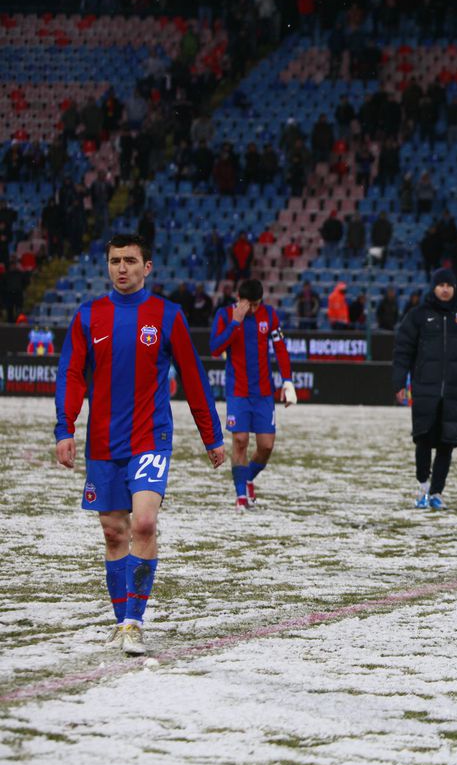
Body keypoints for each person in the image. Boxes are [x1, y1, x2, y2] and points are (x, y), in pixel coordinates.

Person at [54, 233, 225, 656]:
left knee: (144, 524)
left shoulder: (167, 315)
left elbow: (193, 376)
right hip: (101, 442)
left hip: (151, 438)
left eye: (130, 260)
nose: (122, 269)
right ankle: (121, 621)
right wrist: (65, 428)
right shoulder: (88, 316)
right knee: (114, 534)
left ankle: (135, 621)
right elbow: (71, 375)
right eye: (115, 261)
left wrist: (212, 435)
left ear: (148, 267)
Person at [392, 268, 457, 509]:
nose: (445, 289)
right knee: (423, 439)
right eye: (440, 285)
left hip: (455, 392)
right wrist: (399, 382)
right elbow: (403, 350)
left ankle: (437, 493)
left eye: (449, 285)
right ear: (433, 288)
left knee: (448, 442)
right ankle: (422, 488)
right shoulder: (417, 316)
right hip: (425, 389)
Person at [210, 278, 297, 510]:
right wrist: (235, 324)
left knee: (266, 446)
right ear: (240, 300)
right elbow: (215, 348)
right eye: (251, 305)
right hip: (237, 391)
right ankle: (241, 498)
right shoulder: (224, 315)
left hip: (263, 392)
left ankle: (247, 477)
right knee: (239, 441)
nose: (255, 309)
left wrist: (288, 381)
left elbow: (280, 348)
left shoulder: (269, 315)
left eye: (258, 304)